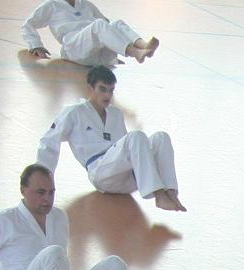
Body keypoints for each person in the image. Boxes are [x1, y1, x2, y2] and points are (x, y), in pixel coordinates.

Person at [38, 65, 183, 211]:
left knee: (161, 137)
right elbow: (49, 141)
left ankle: (170, 191)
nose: (107, 95)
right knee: (136, 136)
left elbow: (127, 148)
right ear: (91, 88)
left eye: (111, 90)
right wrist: (43, 178)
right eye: (102, 89)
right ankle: (159, 195)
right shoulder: (74, 113)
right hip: (101, 174)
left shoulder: (116, 114)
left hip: (127, 178)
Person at [21, 0, 156, 66]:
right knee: (99, 25)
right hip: (74, 48)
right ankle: (135, 53)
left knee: (117, 24)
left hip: (95, 54)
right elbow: (28, 24)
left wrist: (114, 49)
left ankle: (143, 45)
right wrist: (36, 45)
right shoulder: (51, 4)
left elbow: (107, 25)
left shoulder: (84, 3)